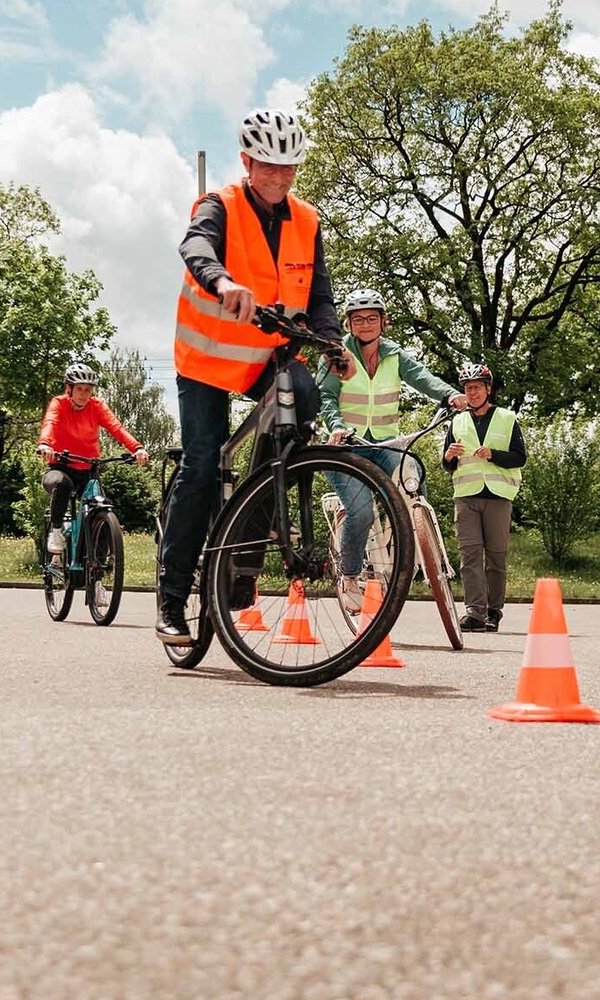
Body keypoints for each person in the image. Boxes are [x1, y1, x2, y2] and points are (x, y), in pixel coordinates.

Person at [157, 107, 346, 643]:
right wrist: (222, 282)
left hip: (269, 358)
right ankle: (171, 600)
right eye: (269, 166)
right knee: (199, 467)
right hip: (208, 363)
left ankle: (242, 547)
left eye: (289, 168)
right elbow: (194, 247)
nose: (280, 177)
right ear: (246, 161)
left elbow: (320, 296)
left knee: (304, 402)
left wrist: (331, 342)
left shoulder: (307, 221)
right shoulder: (219, 205)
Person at [320, 287, 465, 607]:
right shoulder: (336, 354)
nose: (365, 324)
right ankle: (349, 576)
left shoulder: (395, 355)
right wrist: (337, 426)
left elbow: (424, 378)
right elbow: (326, 396)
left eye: (372, 318)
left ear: (384, 322)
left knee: (412, 473)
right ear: (349, 324)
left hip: (385, 441)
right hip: (346, 446)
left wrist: (449, 394)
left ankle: (424, 550)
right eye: (358, 319)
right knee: (360, 512)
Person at [442, 366, 526, 633]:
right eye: (468, 388)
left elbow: (519, 457)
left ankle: (493, 611)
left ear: (488, 389)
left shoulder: (507, 418)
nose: (472, 392)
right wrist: (448, 457)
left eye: (477, 387)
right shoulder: (456, 421)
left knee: (496, 558)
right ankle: (475, 613)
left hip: (498, 497)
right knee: (469, 557)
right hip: (466, 497)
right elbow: (447, 464)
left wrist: (493, 454)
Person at [36, 360, 144, 562]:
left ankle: (99, 568)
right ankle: (57, 531)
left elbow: (116, 429)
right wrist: (45, 445)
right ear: (69, 388)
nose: (84, 394)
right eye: (79, 389)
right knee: (62, 484)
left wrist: (136, 448)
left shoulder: (97, 406)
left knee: (100, 508)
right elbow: (50, 423)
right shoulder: (59, 404)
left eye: (88, 389)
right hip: (61, 465)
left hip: (88, 469)